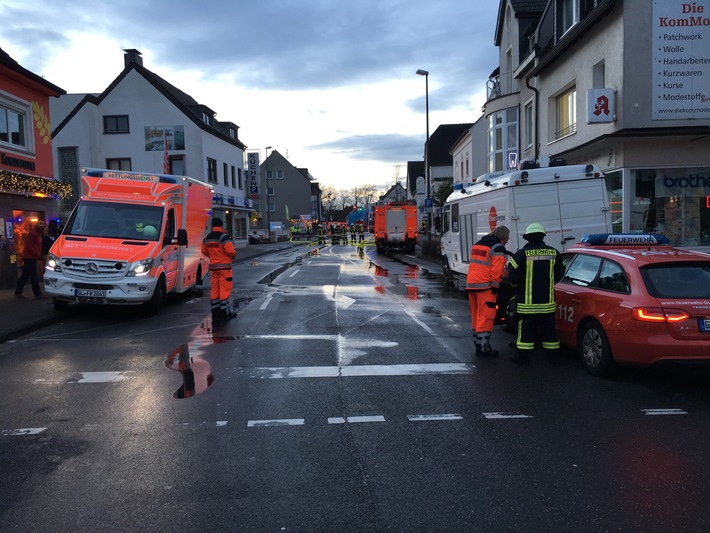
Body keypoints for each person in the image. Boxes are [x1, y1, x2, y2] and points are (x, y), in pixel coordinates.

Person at [508, 223, 565, 364]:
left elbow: (512, 276)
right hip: (548, 303)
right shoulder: (554, 252)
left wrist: (516, 287)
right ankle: (553, 357)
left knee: (526, 330)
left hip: (527, 304)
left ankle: (523, 357)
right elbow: (560, 272)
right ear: (542, 236)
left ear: (527, 238)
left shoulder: (521, 254)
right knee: (550, 330)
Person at [465, 225, 510, 356]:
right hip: (485, 287)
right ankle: (483, 347)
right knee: (486, 317)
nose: (508, 240)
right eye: (507, 237)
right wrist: (496, 287)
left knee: (476, 315)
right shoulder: (498, 248)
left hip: (472, 284)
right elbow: (496, 271)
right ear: (503, 237)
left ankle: (477, 343)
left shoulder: (478, 244)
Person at [201, 217, 237, 322]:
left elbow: (204, 250)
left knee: (215, 289)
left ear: (213, 226)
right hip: (224, 268)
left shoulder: (207, 237)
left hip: (213, 267)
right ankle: (225, 312)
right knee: (225, 289)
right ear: (221, 225)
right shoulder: (224, 237)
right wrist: (233, 256)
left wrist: (213, 256)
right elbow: (230, 251)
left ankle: (215, 312)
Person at [15, 222, 47, 299]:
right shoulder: (34, 233)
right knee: (34, 275)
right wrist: (36, 253)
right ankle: (37, 293)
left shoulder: (37, 233)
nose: (42, 227)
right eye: (41, 225)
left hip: (30, 257)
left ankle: (18, 292)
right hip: (30, 257)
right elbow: (28, 245)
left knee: (25, 275)